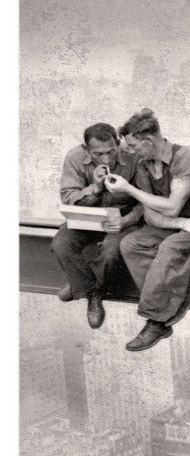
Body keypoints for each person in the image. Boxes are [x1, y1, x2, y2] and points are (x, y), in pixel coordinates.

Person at [108, 109, 190, 352]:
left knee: (170, 248)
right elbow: (150, 213)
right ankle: (182, 297)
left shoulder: (186, 157)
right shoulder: (144, 166)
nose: (131, 152)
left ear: (150, 140)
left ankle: (156, 321)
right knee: (130, 244)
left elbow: (173, 206)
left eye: (134, 146)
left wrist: (129, 190)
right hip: (182, 224)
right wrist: (180, 224)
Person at [52, 122, 142, 329]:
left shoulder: (133, 156)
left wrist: (126, 220)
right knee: (62, 244)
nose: (106, 159)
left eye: (111, 151)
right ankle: (90, 290)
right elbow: (69, 198)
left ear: (118, 143)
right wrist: (96, 187)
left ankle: (83, 286)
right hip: (86, 217)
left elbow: (145, 200)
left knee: (111, 252)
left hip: (123, 218)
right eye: (98, 154)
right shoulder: (74, 158)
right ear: (86, 149)